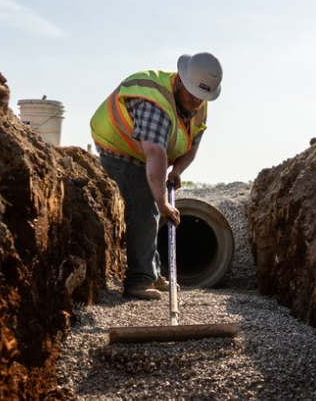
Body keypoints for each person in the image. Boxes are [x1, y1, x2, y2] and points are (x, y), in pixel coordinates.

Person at [90, 52, 223, 300]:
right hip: (118, 145)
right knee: (144, 206)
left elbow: (192, 146)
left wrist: (178, 171)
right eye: (194, 94)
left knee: (149, 203)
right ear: (181, 81)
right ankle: (139, 280)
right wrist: (162, 202)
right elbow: (155, 153)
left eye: (203, 97)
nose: (197, 101)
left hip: (147, 153)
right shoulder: (155, 103)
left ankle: (150, 270)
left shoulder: (199, 105)